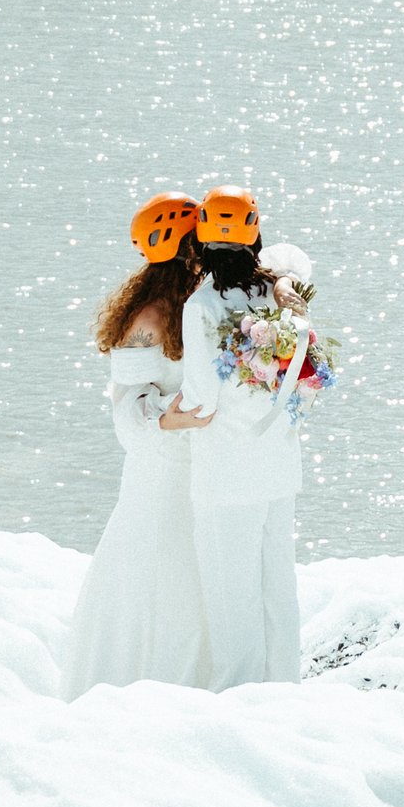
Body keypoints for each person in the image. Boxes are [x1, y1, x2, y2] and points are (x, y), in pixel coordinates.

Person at [58, 191, 215, 697]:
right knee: (167, 576)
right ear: (186, 248)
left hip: (211, 462)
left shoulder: (209, 304)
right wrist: (166, 422)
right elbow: (126, 413)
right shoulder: (147, 319)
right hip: (164, 471)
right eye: (204, 240)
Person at [178, 183, 315, 690]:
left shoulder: (202, 305)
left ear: (202, 239)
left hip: (224, 474)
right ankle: (285, 685)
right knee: (278, 585)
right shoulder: (279, 293)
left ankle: (239, 695)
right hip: (278, 467)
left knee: (230, 591)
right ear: (254, 234)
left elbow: (200, 400)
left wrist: (164, 416)